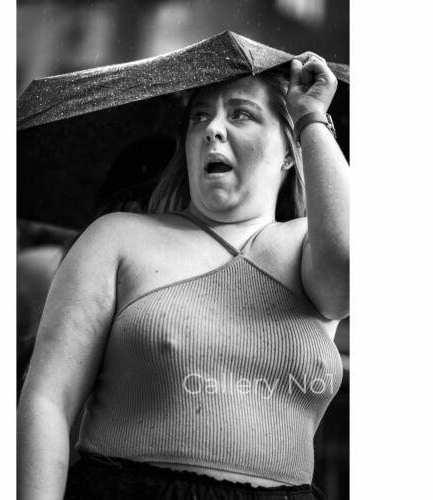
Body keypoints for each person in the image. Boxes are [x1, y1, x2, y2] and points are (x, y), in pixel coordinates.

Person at [17, 52, 349, 500]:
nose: (212, 128)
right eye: (199, 117)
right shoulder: (117, 239)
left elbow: (349, 268)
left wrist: (311, 117)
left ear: (291, 151)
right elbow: (47, 403)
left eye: (241, 115)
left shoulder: (310, 249)